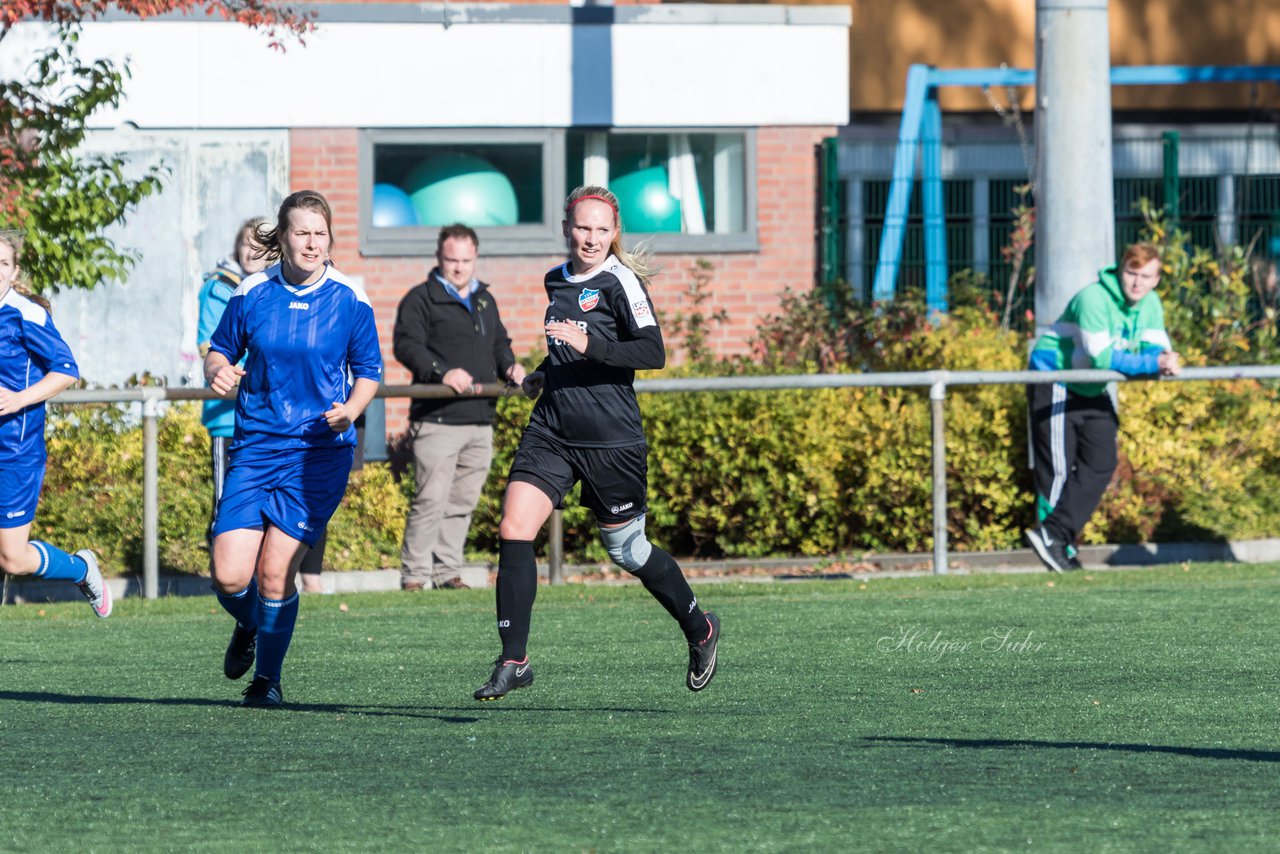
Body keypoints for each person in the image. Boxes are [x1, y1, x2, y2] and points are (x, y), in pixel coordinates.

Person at [473, 185, 720, 702]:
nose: (591, 238)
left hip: (611, 438)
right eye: (583, 227)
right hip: (553, 430)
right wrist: (543, 374)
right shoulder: (555, 280)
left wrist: (592, 345)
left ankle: (700, 627)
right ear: (567, 228)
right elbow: (565, 348)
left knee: (627, 550)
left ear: (614, 235)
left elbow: (652, 352)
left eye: (602, 230)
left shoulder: (620, 282)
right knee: (514, 527)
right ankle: (514, 659)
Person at [203, 190, 382, 707]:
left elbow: (370, 372)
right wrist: (219, 372)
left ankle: (268, 681)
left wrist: (350, 409)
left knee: (276, 572)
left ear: (330, 240)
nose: (311, 243)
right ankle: (252, 625)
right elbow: (219, 351)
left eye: (320, 234)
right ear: (280, 238)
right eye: (301, 232)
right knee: (228, 574)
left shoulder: (351, 299)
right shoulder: (252, 292)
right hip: (256, 448)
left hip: (317, 453)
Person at [1025, 241, 1182, 572]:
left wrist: (1166, 360)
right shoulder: (1093, 298)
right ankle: (1055, 543)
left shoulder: (1150, 303)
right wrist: (1154, 363)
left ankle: (1054, 534)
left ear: (1156, 280)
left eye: (1146, 276)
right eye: (1131, 273)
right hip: (1056, 380)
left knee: (1102, 461)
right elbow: (1103, 357)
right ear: (1120, 270)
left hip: (1092, 387)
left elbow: (1156, 348)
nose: (1137, 283)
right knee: (1057, 469)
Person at [198, 218, 329, 594]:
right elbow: (214, 348)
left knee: (283, 541)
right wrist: (219, 368)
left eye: (261, 246)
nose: (253, 252)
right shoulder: (229, 290)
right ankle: (243, 598)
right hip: (239, 427)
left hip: (301, 433)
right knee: (232, 542)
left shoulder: (327, 292)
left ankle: (281, 586)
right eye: (246, 245)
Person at [393, 224, 525, 592]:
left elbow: (499, 343)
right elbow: (406, 345)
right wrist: (441, 372)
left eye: (466, 260)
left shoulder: (485, 299)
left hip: (480, 418)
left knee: (463, 501)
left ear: (475, 258)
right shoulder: (421, 299)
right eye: (452, 260)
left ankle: (447, 571)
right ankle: (415, 575)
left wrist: (510, 366)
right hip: (437, 420)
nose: (459, 267)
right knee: (430, 500)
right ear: (439, 257)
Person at [0, 229, 111, 618]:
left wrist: (16, 399)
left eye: (3, 263)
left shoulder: (26, 314)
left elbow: (66, 371)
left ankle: (81, 569)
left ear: (14, 272)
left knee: (12, 559)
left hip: (15, 451)